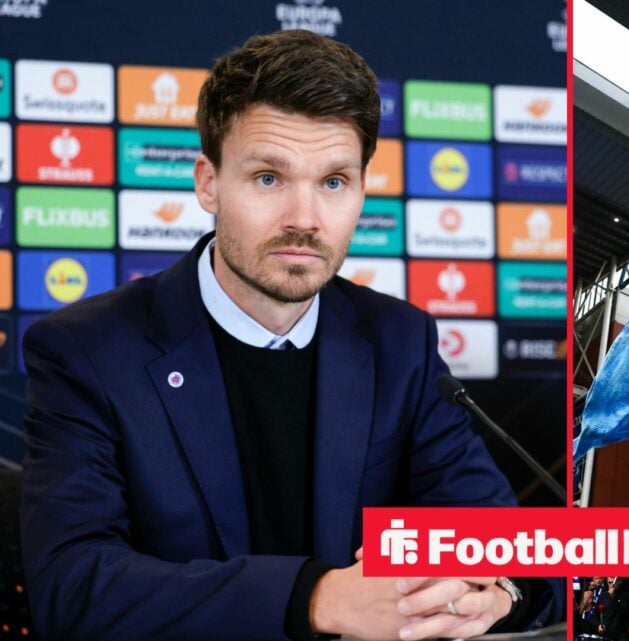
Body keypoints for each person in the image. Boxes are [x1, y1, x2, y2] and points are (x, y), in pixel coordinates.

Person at [19, 30, 560, 641]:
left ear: (360, 192)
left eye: (333, 181)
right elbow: (71, 587)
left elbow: (504, 541)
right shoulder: (85, 350)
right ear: (207, 183)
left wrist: (498, 592)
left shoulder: (399, 342)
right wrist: (316, 598)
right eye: (269, 178)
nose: (304, 220)